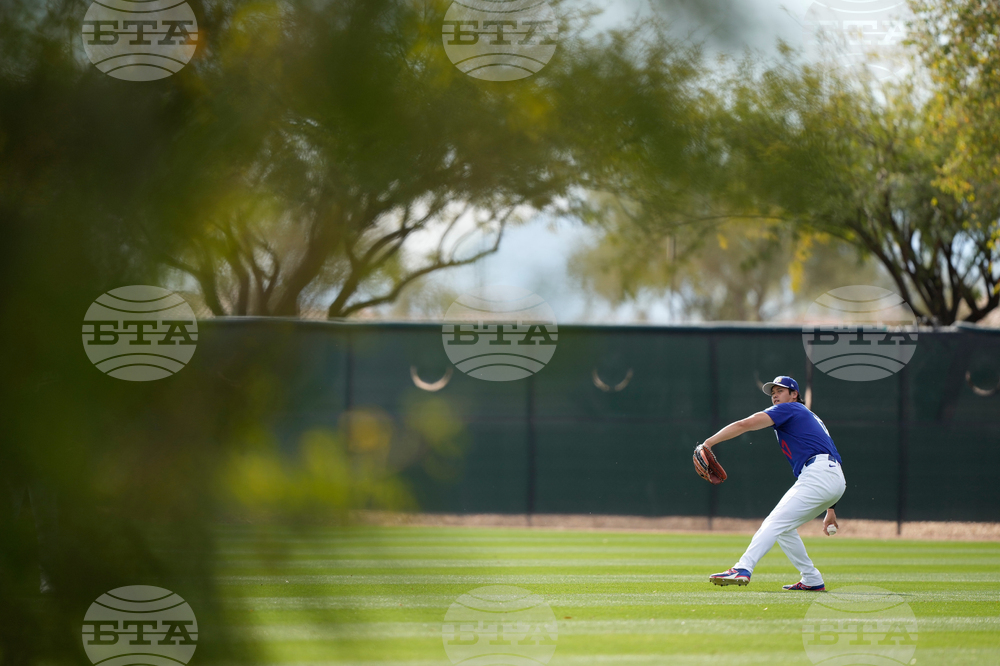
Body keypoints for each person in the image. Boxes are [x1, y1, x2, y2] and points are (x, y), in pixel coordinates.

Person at [704, 375, 846, 591]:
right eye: (773, 393)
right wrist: (831, 509)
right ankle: (812, 578)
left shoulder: (791, 409)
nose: (775, 396)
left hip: (819, 474)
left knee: (774, 522)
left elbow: (745, 424)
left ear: (794, 394)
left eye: (780, 391)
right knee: (785, 528)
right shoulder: (807, 415)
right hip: (831, 477)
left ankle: (743, 568)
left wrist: (708, 443)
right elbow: (829, 454)